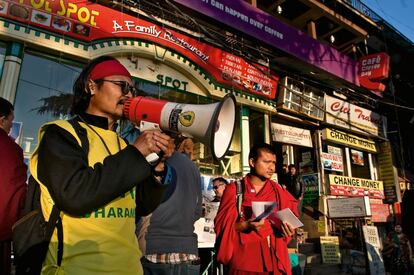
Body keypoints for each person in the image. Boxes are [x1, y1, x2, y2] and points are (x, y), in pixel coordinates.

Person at [29, 55, 174, 274]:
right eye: (121, 85)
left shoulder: (125, 145)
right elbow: (74, 195)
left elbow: (143, 205)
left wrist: (158, 165)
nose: (129, 94)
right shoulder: (60, 134)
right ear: (91, 86)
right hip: (76, 269)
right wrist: (137, 152)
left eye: (132, 89)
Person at [215, 143, 298, 275]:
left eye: (274, 163)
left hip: (272, 259)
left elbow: (290, 221)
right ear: (252, 162)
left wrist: (287, 230)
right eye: (266, 162)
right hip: (242, 261)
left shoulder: (278, 191)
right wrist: (245, 225)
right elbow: (221, 227)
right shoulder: (235, 190)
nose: (271, 167)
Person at [137, 137, 202, 275]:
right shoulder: (194, 169)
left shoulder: (150, 159)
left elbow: (141, 206)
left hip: (153, 248)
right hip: (188, 251)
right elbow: (197, 212)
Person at [0, 97, 27, 275]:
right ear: (2, 120)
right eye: (10, 119)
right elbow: (13, 194)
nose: (11, 125)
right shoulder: (9, 149)